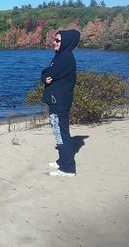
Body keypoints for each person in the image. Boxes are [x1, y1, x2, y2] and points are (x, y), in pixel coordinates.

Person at [41, 29, 81, 177]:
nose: (54, 42)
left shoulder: (65, 57)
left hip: (60, 101)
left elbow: (49, 73)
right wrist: (45, 75)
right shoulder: (60, 56)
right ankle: (62, 160)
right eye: (54, 39)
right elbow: (47, 74)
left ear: (65, 42)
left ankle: (67, 168)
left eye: (58, 40)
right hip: (57, 100)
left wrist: (45, 74)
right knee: (59, 131)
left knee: (61, 132)